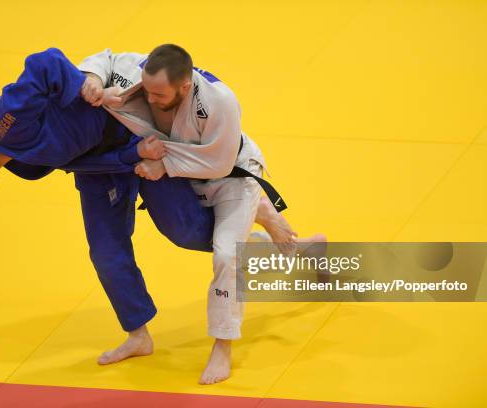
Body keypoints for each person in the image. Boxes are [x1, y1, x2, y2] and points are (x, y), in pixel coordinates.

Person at [0, 47, 303, 377]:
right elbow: (76, 158)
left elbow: (44, 62)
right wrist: (128, 159)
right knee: (106, 254)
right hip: (107, 163)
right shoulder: (8, 156)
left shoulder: (7, 120)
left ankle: (255, 209)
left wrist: (85, 84)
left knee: (185, 230)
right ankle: (139, 336)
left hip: (132, 132)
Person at [77, 44, 326, 384]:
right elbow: (104, 58)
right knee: (188, 237)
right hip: (189, 180)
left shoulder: (219, 101)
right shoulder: (142, 73)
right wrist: (91, 77)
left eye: (158, 94)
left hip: (233, 178)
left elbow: (219, 162)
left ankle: (222, 348)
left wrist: (162, 162)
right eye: (147, 90)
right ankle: (301, 245)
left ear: (184, 86)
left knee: (226, 254)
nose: (149, 99)